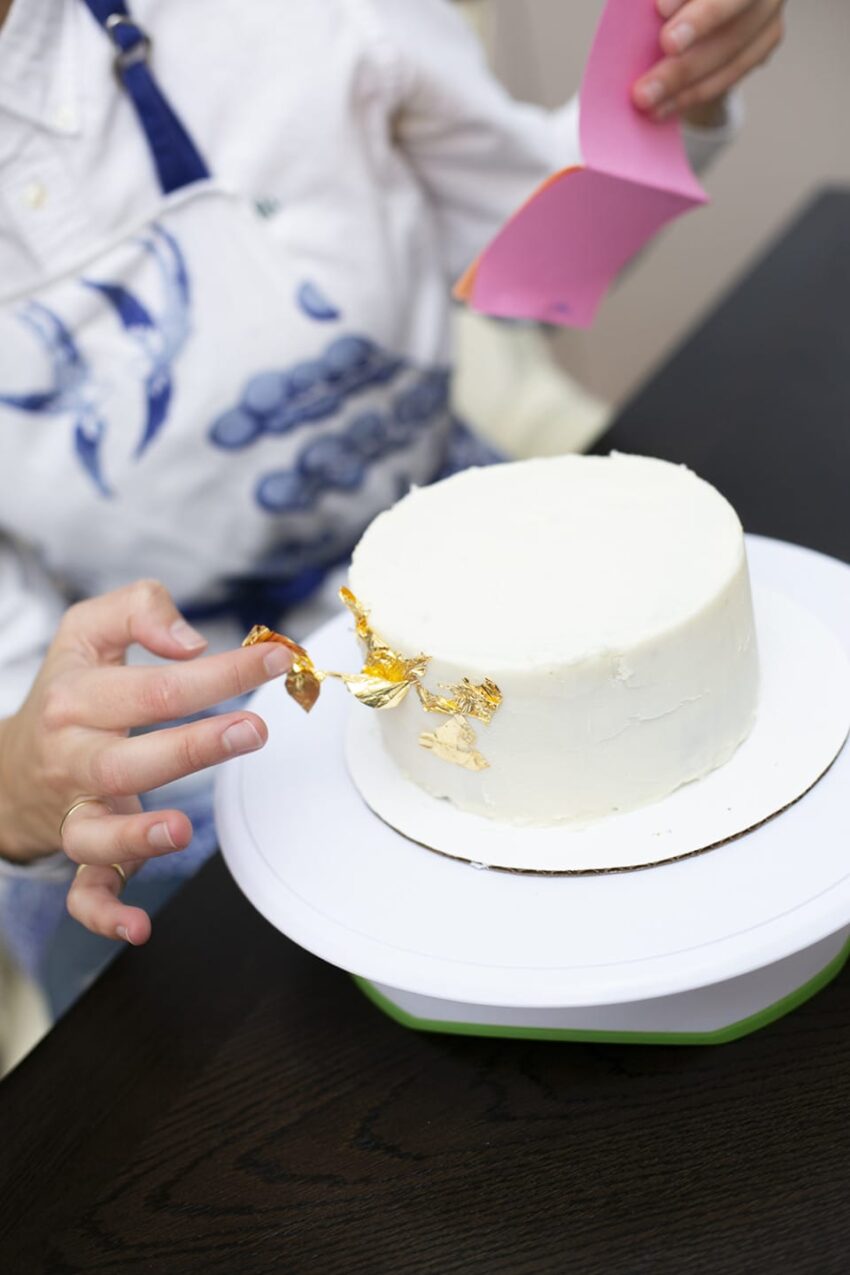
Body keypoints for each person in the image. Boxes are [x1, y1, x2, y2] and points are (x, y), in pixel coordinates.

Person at [0, 0, 785, 1017]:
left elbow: (539, 257)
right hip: (147, 735)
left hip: (472, 557)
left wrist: (668, 86)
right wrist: (22, 783)